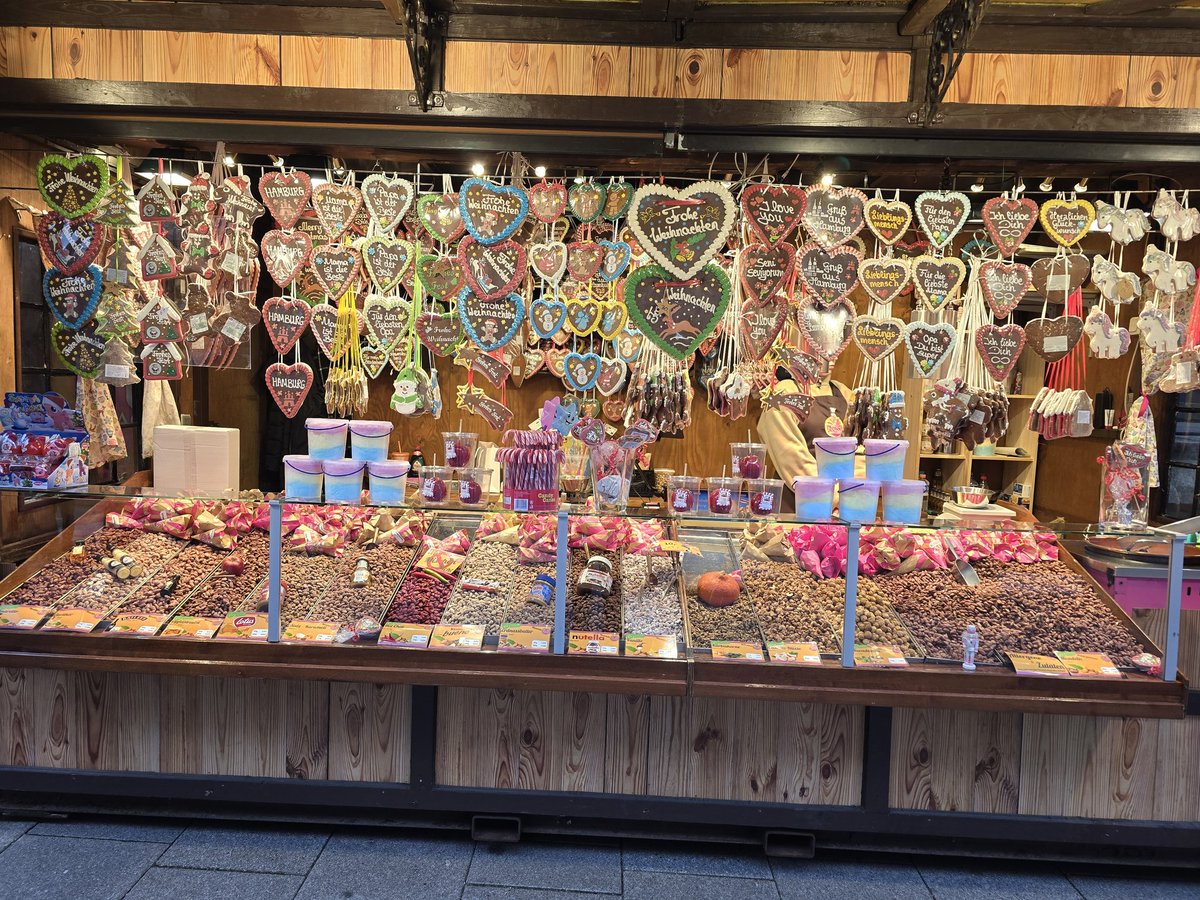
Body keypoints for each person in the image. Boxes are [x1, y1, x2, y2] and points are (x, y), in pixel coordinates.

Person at [757, 358, 862, 489]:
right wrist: (833, 495)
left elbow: (859, 452)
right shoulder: (784, 392)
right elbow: (792, 458)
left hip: (846, 501)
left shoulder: (844, 392)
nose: (827, 356)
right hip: (801, 499)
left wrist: (855, 492)